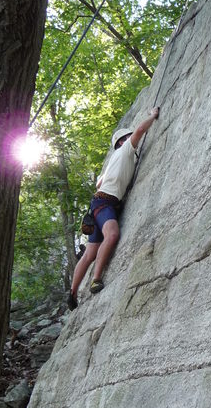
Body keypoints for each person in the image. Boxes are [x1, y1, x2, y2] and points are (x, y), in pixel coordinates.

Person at [67, 107, 160, 310]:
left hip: (99, 203)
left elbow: (99, 183)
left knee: (89, 253)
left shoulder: (114, 161)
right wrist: (152, 115)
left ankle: (73, 293)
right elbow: (138, 132)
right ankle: (96, 279)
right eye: (127, 138)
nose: (132, 140)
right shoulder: (124, 149)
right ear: (121, 141)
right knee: (112, 235)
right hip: (105, 203)